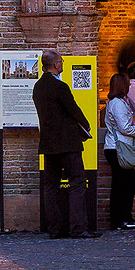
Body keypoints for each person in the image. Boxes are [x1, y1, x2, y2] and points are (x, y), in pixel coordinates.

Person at [33, 50, 96, 238]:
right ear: (56, 65)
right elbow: (73, 109)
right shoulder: (60, 86)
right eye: (61, 61)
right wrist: (86, 125)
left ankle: (54, 229)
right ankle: (78, 228)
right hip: (67, 143)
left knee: (50, 187)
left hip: (48, 143)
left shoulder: (38, 86)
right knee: (77, 183)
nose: (62, 64)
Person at [103, 73, 135, 230]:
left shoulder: (115, 102)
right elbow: (124, 127)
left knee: (122, 184)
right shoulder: (118, 104)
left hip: (115, 147)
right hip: (118, 147)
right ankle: (122, 219)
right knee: (125, 184)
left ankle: (121, 219)